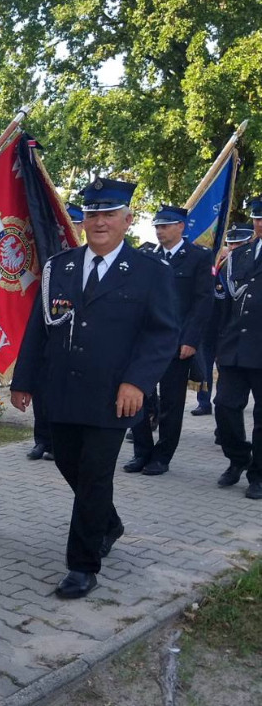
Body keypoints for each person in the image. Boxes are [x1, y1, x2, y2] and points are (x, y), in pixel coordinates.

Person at [11, 176, 178, 599]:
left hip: (113, 396)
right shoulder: (59, 267)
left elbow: (162, 335)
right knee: (69, 465)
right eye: (92, 214)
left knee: (93, 475)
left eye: (108, 214)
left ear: (127, 219)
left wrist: (137, 382)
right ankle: (110, 523)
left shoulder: (149, 272)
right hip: (61, 391)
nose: (99, 221)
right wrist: (23, 380)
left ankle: (83, 565)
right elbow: (38, 329)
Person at [123, 205, 214, 475]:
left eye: (165, 226)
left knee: (172, 404)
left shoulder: (198, 257)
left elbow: (202, 303)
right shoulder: (148, 256)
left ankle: (162, 456)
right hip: (145, 341)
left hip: (177, 344)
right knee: (137, 396)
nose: (160, 231)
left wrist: (190, 340)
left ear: (181, 227)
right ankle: (142, 452)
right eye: (157, 227)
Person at [214, 197, 262, 499]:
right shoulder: (238, 255)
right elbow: (223, 305)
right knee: (225, 408)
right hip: (235, 347)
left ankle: (258, 475)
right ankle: (239, 458)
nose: (260, 223)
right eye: (257, 218)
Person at [28, 202, 84, 460]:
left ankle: (58, 441)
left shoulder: (85, 257)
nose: (69, 228)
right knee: (42, 387)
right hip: (45, 323)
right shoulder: (48, 249)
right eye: (66, 222)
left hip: (73, 335)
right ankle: (42, 439)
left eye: (74, 222)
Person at [192, 222, 252, 416]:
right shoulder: (217, 262)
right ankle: (204, 401)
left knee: (227, 373)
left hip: (231, 327)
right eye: (230, 244)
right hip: (209, 324)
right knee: (205, 365)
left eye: (238, 244)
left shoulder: (250, 265)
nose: (233, 248)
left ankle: (225, 418)